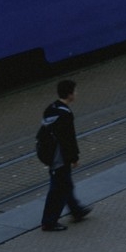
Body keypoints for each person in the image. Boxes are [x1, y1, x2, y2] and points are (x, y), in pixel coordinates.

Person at [38, 78, 92, 230]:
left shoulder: (51, 108)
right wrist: (74, 158)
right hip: (59, 158)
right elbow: (68, 140)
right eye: (75, 91)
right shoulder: (66, 115)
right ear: (69, 95)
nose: (76, 93)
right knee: (58, 188)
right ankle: (48, 222)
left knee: (65, 183)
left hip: (49, 154)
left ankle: (76, 211)